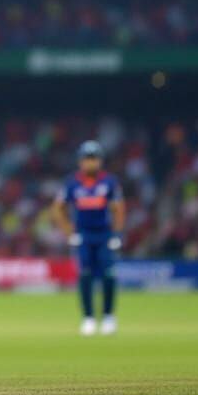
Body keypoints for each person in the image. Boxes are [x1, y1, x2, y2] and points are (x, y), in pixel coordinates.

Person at [51, 140, 125, 336]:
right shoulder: (72, 183)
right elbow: (58, 208)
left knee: (109, 275)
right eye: (87, 159)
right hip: (83, 235)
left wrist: (116, 234)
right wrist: (70, 233)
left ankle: (109, 316)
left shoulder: (109, 182)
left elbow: (118, 209)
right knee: (85, 275)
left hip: (104, 234)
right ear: (80, 161)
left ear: (100, 161)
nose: (91, 163)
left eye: (94, 159)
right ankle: (88, 318)